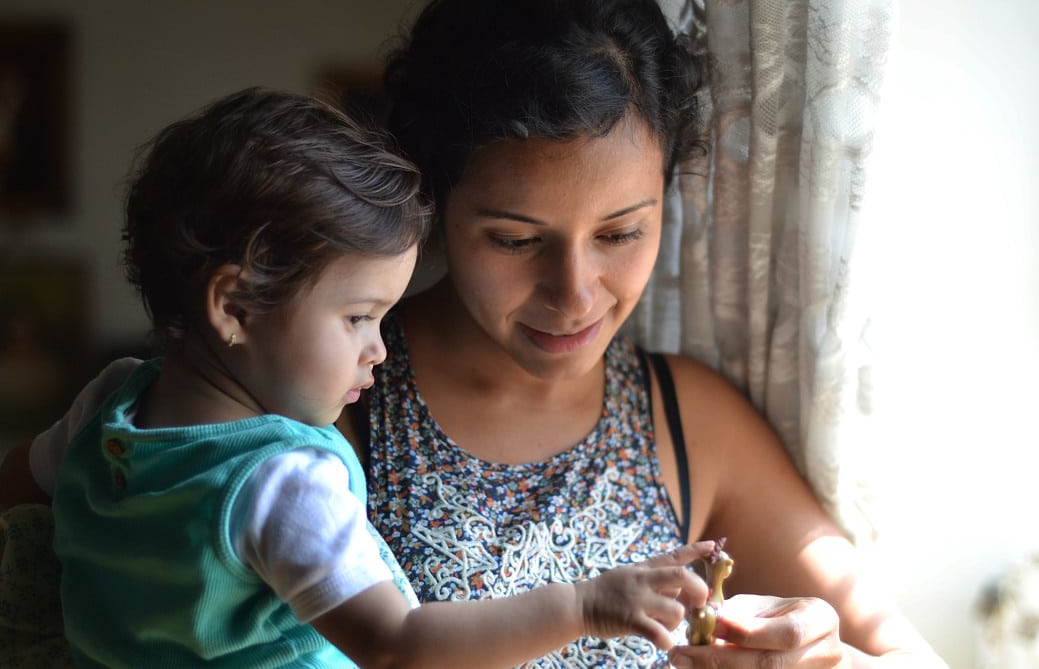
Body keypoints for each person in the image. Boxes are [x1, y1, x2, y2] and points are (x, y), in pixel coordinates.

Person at [337, 0, 950, 667]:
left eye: (620, 233)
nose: (573, 294)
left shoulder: (685, 420)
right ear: (433, 199)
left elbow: (908, 655)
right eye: (515, 240)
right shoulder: (337, 398)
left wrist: (831, 658)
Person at [0, 87, 714, 668]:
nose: (379, 349)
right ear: (234, 304)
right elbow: (396, 644)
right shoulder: (283, 484)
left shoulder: (107, 404)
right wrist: (582, 606)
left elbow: (14, 492)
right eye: (358, 318)